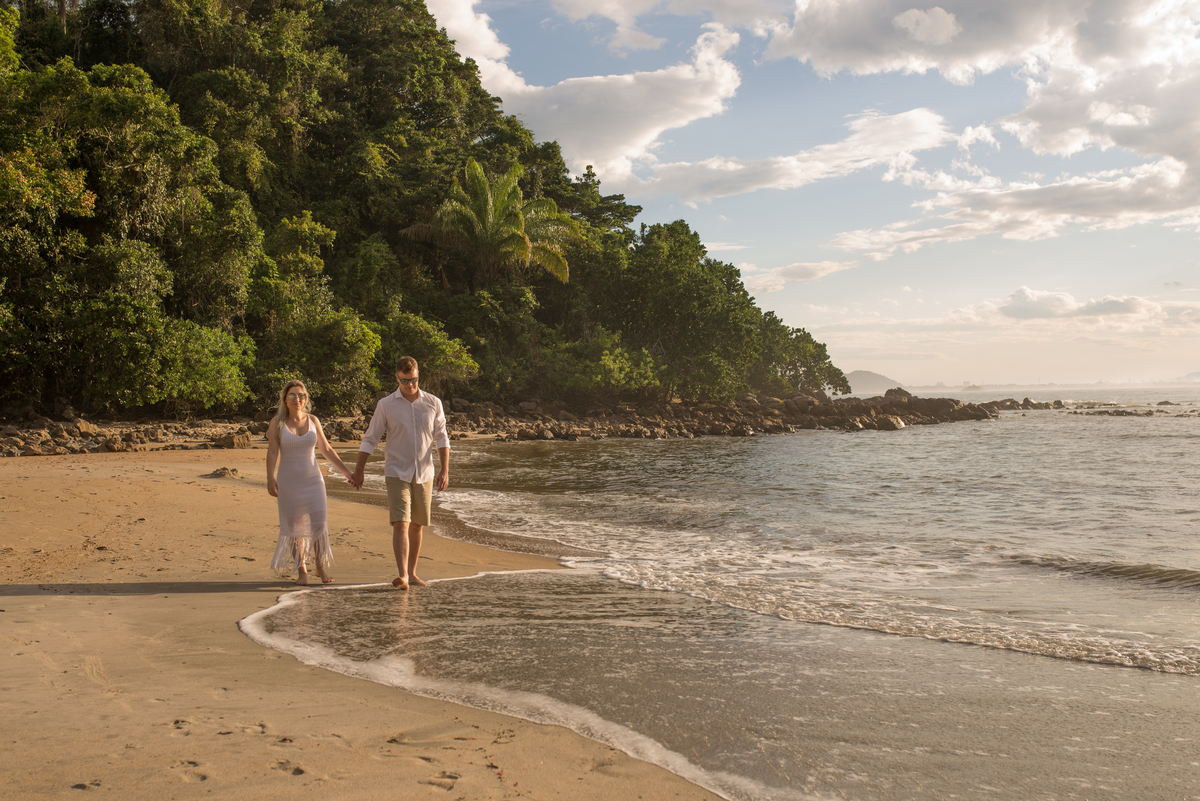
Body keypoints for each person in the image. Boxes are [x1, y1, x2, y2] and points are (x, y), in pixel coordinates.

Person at [352, 356, 450, 590]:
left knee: (417, 524)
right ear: (397, 377)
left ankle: (413, 574)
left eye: (413, 380)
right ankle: (403, 575)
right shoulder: (386, 405)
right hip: (397, 471)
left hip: (425, 472)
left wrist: (445, 470)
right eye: (405, 381)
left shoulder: (433, 403)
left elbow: (441, 437)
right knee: (401, 523)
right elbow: (371, 438)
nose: (410, 385)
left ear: (418, 375)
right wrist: (359, 470)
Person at [266, 379, 355, 585]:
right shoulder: (277, 423)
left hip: (314, 481)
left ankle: (320, 568)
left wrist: (347, 473)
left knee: (319, 525)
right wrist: (270, 477)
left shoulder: (313, 420)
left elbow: (326, 450)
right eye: (292, 395)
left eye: (301, 395)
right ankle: (302, 571)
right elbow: (272, 452)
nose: (297, 399)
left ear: (306, 399)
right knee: (296, 529)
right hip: (288, 482)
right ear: (285, 399)